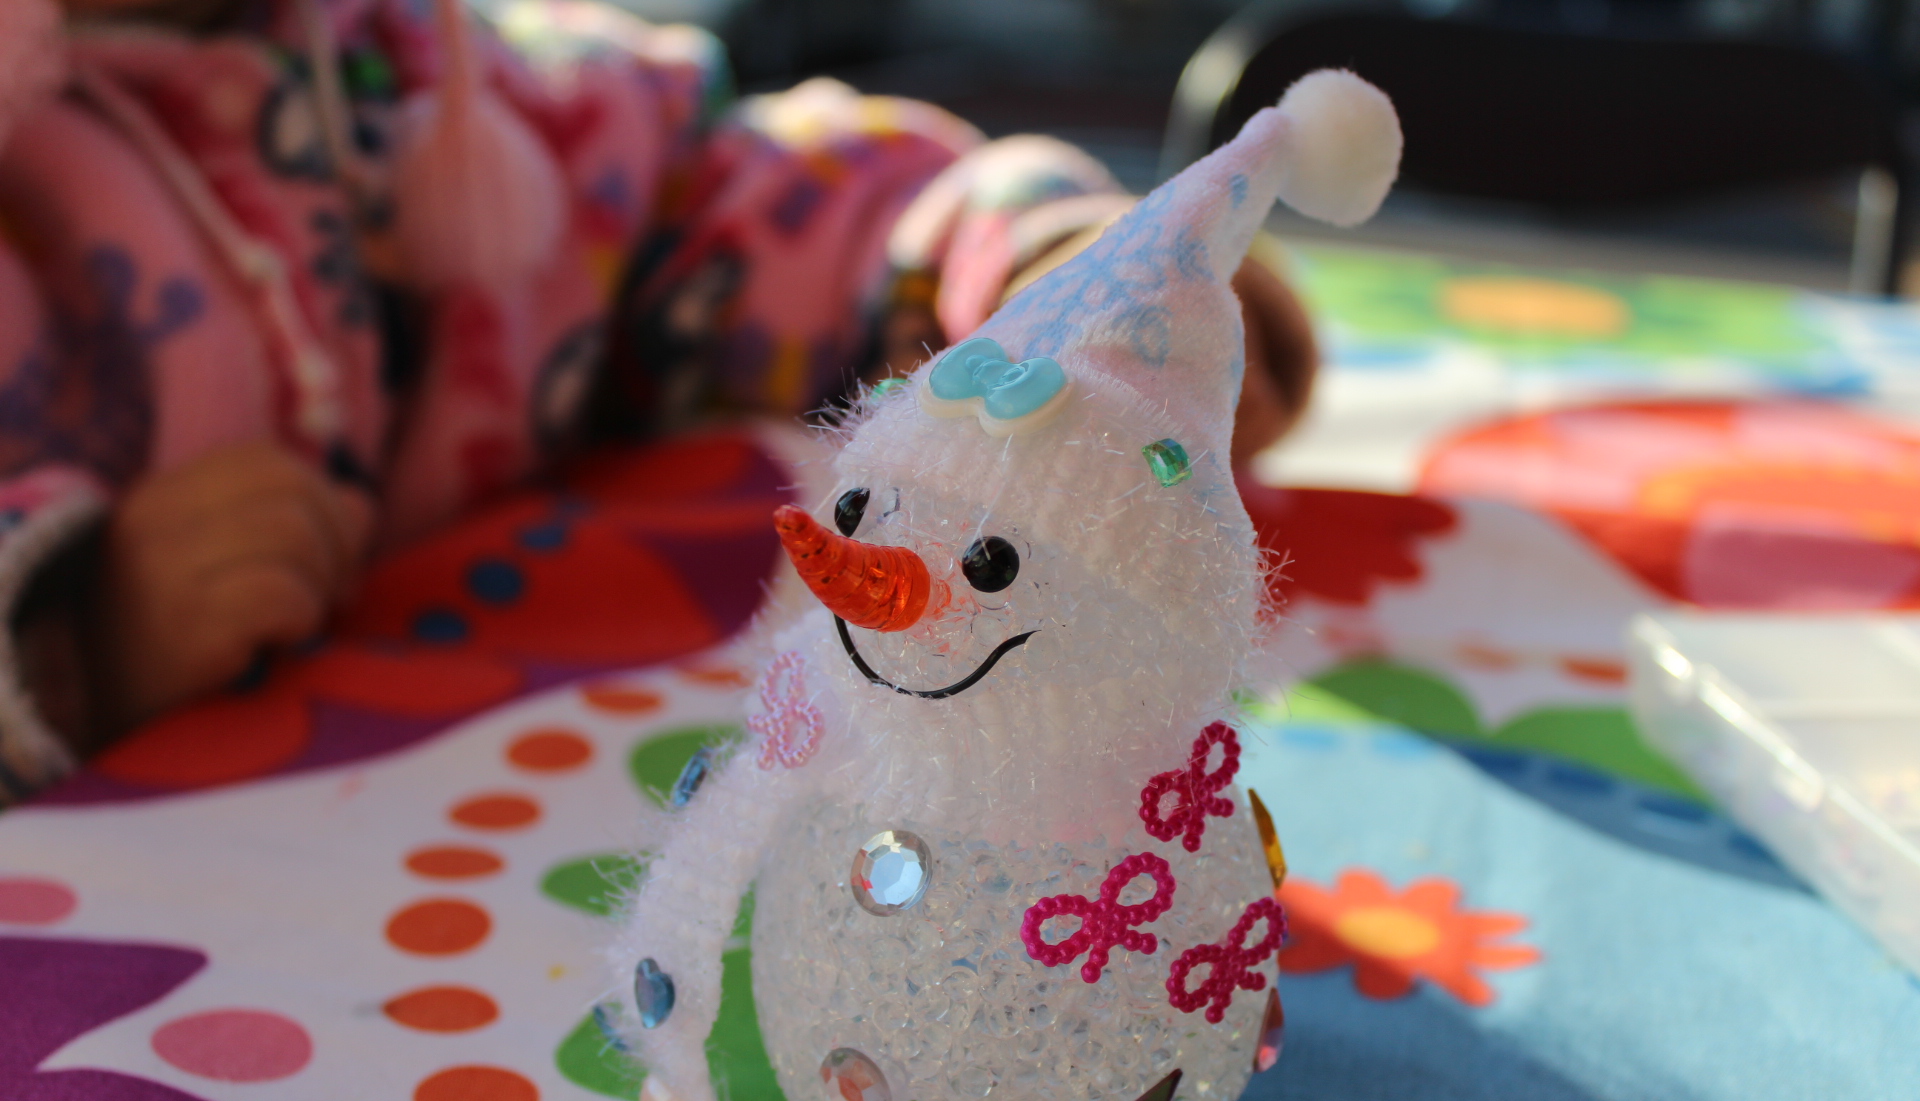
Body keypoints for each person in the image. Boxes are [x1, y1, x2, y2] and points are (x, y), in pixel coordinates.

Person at [0, 0, 1318, 799]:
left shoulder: (429, 73)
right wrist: (74, 645)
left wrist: (1045, 269)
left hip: (504, 837)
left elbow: (732, 201)